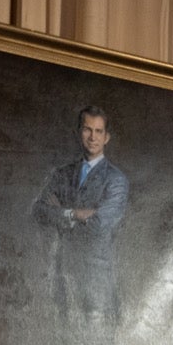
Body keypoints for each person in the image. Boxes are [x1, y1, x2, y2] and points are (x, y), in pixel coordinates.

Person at [31, 105, 130, 321]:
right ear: (79, 132)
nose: (92, 137)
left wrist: (60, 212)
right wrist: (74, 214)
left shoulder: (116, 180)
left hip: (96, 286)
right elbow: (38, 210)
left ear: (106, 138)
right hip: (62, 278)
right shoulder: (62, 174)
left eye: (98, 131)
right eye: (87, 130)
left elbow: (100, 224)